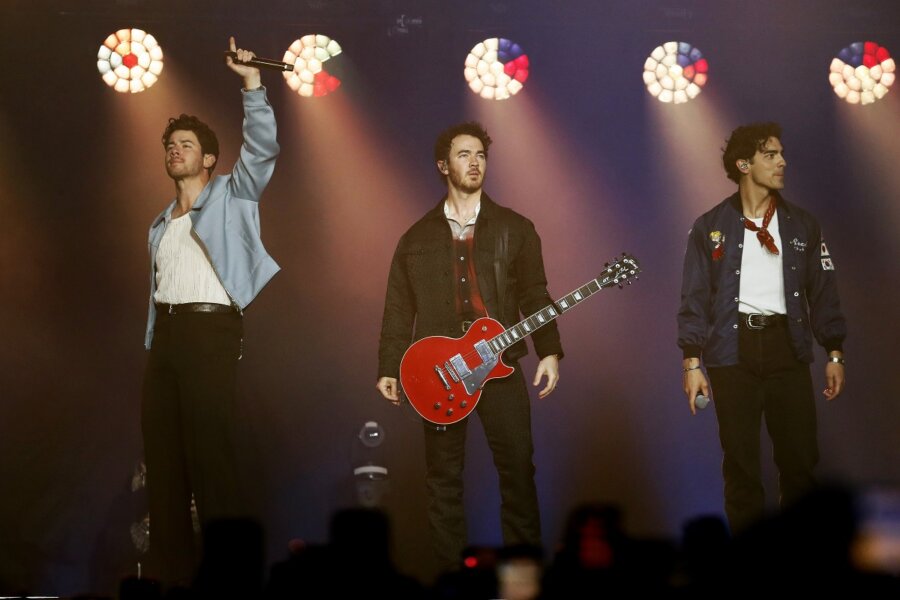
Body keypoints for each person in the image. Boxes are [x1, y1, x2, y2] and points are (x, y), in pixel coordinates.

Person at [376, 122, 563, 571]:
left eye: (480, 154)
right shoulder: (416, 238)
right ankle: (450, 581)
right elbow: (399, 307)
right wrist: (388, 366)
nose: (475, 162)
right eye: (464, 154)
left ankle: (524, 578)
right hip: (438, 370)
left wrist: (549, 350)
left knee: (518, 470)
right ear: (444, 165)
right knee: (443, 480)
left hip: (499, 363)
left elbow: (536, 293)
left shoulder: (515, 228)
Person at [141, 36, 280, 586]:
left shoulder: (233, 195)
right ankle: (170, 577)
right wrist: (155, 348)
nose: (175, 150)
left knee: (212, 462)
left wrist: (251, 84)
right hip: (167, 344)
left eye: (185, 143)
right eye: (169, 144)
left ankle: (228, 581)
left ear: (209, 158)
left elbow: (263, 148)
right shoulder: (158, 222)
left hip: (210, 332)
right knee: (164, 468)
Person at [677, 121, 847, 534]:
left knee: (800, 463)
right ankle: (750, 569)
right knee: (740, 466)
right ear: (744, 164)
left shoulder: (802, 225)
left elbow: (822, 292)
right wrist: (692, 362)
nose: (782, 162)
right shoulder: (710, 226)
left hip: (786, 348)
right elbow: (694, 297)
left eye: (781, 153)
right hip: (731, 353)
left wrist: (835, 352)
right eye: (770, 155)